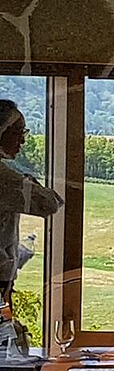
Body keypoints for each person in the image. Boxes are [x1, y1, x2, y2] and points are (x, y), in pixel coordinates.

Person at [0, 100, 63, 304]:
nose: (22, 140)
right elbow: (49, 203)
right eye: (18, 132)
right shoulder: (4, 179)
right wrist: (26, 180)